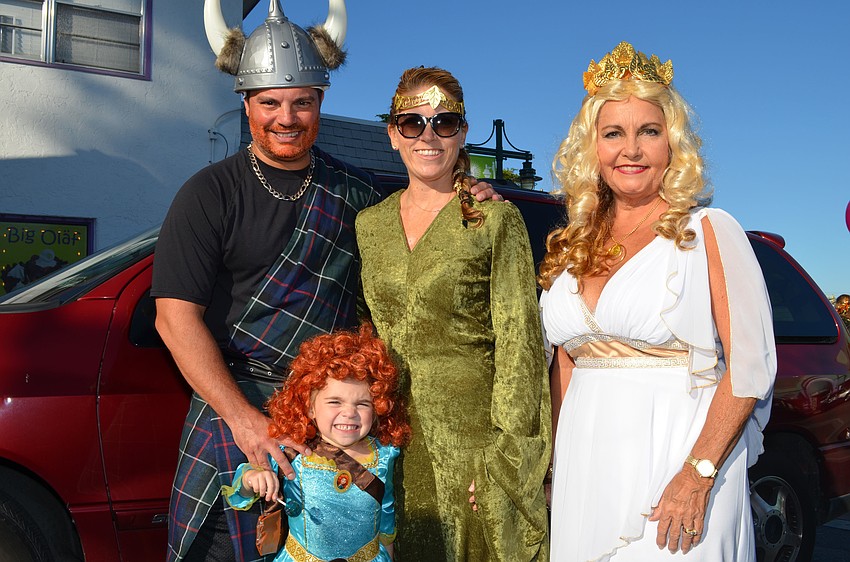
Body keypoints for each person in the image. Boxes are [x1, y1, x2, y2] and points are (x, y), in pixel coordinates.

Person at [152, 2, 498, 560]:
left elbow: (418, 238)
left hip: (337, 418)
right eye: (270, 102)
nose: (285, 117)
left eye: (302, 102)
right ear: (246, 103)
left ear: (320, 102)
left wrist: (466, 193)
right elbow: (174, 317)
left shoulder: (359, 193)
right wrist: (246, 423)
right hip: (236, 405)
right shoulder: (209, 193)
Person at [537, 42, 777, 561]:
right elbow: (566, 364)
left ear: (672, 143)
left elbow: (749, 367)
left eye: (649, 131)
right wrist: (556, 469)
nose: (632, 149)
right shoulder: (574, 245)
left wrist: (697, 475)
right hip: (587, 467)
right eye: (613, 133)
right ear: (591, 149)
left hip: (681, 461)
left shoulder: (708, 231)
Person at [355, 67, 551, 561]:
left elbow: (520, 346)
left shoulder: (494, 219)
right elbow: (364, 335)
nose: (428, 135)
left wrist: (506, 460)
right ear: (392, 134)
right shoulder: (369, 224)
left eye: (444, 123)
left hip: (472, 441)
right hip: (389, 436)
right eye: (412, 123)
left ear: (463, 134)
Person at [222, 324, 411, 561]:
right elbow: (241, 487)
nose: (349, 413)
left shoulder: (384, 455)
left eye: (362, 404)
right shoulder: (293, 453)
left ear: (377, 408)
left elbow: (386, 512)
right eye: (335, 402)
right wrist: (253, 478)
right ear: (309, 407)